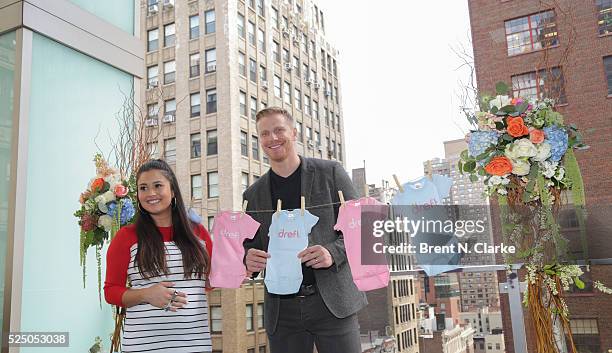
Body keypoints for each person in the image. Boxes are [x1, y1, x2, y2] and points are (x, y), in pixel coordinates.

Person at [243, 107, 366, 353]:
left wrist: (333, 252)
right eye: (265, 133)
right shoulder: (253, 194)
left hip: (332, 304)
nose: (273, 138)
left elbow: (365, 227)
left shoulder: (331, 173)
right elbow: (249, 246)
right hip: (282, 311)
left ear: (294, 133)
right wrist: (248, 258)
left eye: (279, 130)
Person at [104, 159, 213, 353]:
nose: (151, 193)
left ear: (172, 191)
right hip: (143, 346)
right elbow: (111, 291)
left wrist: (243, 266)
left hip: (195, 344)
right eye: (143, 188)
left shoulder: (199, 234)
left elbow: (212, 281)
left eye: (158, 186)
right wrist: (146, 294)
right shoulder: (126, 237)